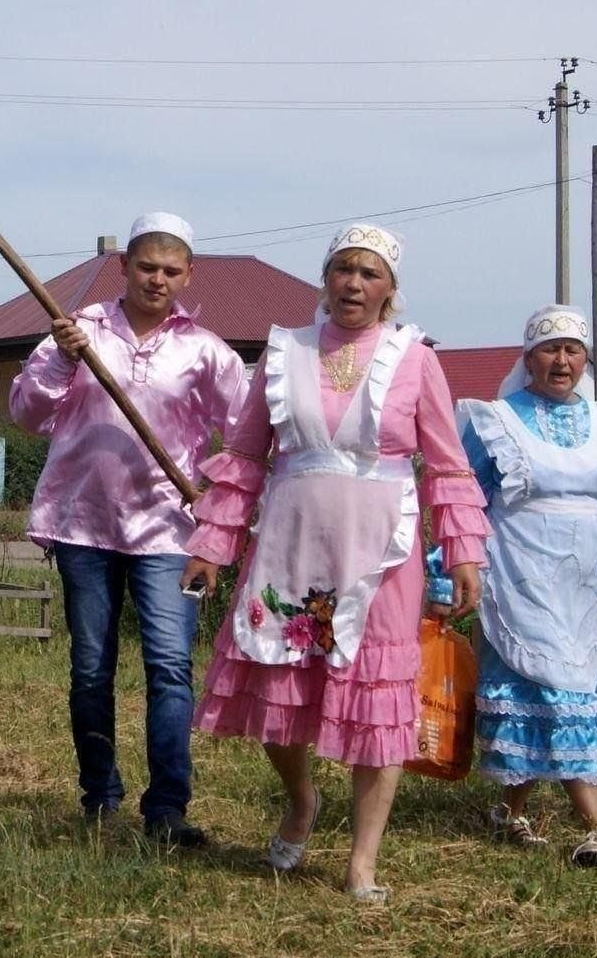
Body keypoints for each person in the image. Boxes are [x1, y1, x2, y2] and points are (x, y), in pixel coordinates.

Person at [181, 223, 487, 903]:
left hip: (382, 551)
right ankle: (300, 799)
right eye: (343, 269)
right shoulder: (283, 350)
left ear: (390, 289)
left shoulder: (416, 358)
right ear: (325, 277)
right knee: (274, 679)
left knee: (379, 707)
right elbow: (242, 457)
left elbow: (445, 463)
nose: (354, 283)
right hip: (291, 544)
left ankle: (361, 861)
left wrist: (463, 550)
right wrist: (211, 545)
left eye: (369, 273)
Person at [8, 212, 248, 845]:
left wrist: (223, 511)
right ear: (124, 267)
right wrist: (60, 363)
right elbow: (27, 415)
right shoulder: (79, 331)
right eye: (146, 267)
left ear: (189, 275)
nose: (158, 280)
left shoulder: (205, 350)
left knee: (170, 665)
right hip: (83, 524)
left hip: (169, 531)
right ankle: (99, 793)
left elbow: (246, 434)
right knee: (91, 666)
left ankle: (167, 806)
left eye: (171, 271)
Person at [454, 305, 597, 868]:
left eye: (572, 350)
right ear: (528, 358)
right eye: (549, 349)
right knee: (537, 691)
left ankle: (510, 811)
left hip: (579, 584)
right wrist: (450, 575)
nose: (561, 360)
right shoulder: (497, 420)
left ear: (585, 360)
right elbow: (465, 502)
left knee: (567, 690)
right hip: (514, 575)